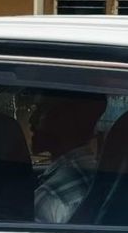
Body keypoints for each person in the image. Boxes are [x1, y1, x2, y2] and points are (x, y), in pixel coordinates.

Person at [31, 91, 107, 225]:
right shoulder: (95, 173)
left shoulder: (51, 197)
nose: (31, 120)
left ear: (64, 119)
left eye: (40, 110)